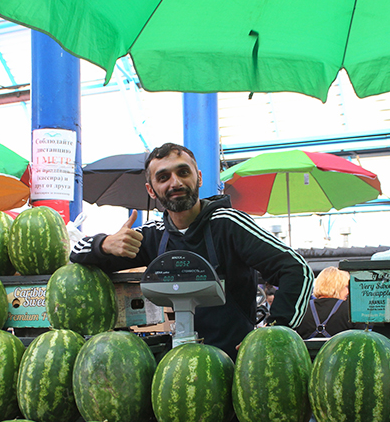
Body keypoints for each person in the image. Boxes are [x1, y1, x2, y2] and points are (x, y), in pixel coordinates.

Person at [71, 142, 314, 358]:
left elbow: (297, 269)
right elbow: (75, 254)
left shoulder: (229, 225)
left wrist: (272, 333)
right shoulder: (153, 235)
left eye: (183, 172)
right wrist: (104, 244)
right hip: (177, 367)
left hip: (237, 366)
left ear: (198, 178)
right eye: (163, 177)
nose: (175, 182)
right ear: (151, 190)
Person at [296, 266, 357, 339]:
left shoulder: (302, 309)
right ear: (338, 287)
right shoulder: (351, 310)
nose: (348, 292)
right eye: (346, 287)